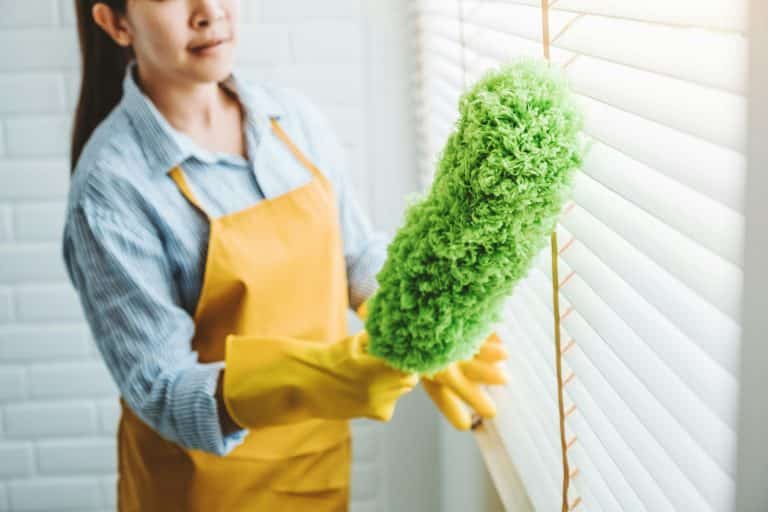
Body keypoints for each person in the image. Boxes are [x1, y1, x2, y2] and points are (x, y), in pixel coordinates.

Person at [63, 1, 508, 510]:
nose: (207, 11)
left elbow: (355, 256)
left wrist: (425, 323)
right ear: (116, 23)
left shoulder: (290, 121)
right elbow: (164, 392)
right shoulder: (110, 192)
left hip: (317, 467)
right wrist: (322, 378)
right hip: (204, 490)